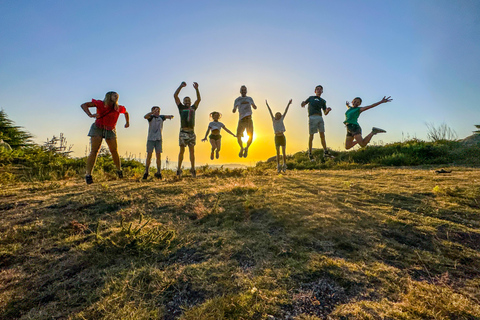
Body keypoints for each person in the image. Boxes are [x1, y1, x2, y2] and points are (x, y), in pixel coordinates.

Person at [81, 91, 129, 184]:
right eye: (114, 95)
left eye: (117, 96)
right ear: (109, 96)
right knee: (94, 151)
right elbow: (84, 105)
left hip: (110, 129)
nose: (116, 97)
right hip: (98, 128)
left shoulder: (118, 108)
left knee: (114, 151)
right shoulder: (100, 104)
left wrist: (127, 122)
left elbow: (126, 113)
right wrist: (90, 115)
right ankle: (88, 175)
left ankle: (119, 171)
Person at [174, 81, 201, 178]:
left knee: (192, 151)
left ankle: (193, 169)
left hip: (191, 132)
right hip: (183, 132)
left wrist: (197, 89)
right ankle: (179, 169)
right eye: (185, 100)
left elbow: (199, 99)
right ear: (183, 102)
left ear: (190, 101)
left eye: (188, 100)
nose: (186, 102)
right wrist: (181, 86)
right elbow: (175, 96)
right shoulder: (181, 108)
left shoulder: (193, 108)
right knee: (182, 150)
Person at [301, 85, 332, 160]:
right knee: (311, 136)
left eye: (320, 89)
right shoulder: (311, 98)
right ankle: (310, 153)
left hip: (320, 117)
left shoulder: (323, 101)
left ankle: (325, 152)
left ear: (322, 91)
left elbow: (325, 113)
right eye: (317, 89)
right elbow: (303, 104)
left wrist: (327, 110)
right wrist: (303, 103)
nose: (319, 90)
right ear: (315, 91)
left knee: (322, 135)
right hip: (312, 117)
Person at [142, 106, 174, 180]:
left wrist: (170, 116)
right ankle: (146, 172)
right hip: (150, 139)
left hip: (158, 139)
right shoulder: (151, 118)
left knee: (158, 155)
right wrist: (152, 113)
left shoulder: (161, 117)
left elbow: (169, 116)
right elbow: (145, 117)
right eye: (155, 111)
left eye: (158, 111)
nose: (157, 112)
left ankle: (159, 172)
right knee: (149, 155)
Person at [266, 99, 292, 173]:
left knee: (284, 152)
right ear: (275, 115)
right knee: (277, 152)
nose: (278, 116)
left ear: (280, 116)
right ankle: (278, 166)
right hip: (277, 137)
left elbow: (286, 111)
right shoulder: (273, 120)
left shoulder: (281, 119)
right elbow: (270, 111)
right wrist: (267, 105)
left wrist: (288, 104)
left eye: (279, 115)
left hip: (282, 136)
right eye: (277, 115)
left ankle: (284, 165)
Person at [233, 85, 257, 158]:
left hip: (249, 119)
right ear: (240, 91)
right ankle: (241, 148)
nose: (243, 91)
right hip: (241, 120)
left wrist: (254, 106)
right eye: (242, 90)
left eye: (245, 90)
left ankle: (246, 148)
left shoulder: (249, 98)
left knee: (251, 136)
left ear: (246, 91)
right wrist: (234, 109)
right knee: (238, 136)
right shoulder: (237, 100)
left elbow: (254, 106)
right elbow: (234, 109)